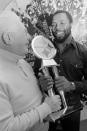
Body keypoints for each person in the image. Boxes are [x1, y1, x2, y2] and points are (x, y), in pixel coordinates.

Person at [0, 11, 61, 131]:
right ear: (8, 38)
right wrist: (46, 108)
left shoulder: (23, 62)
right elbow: (6, 127)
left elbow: (30, 100)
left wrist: (41, 86)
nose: (29, 37)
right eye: (24, 32)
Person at [36, 10, 87, 131]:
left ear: (70, 24)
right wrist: (40, 82)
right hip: (51, 111)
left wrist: (72, 85)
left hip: (73, 111)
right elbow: (35, 74)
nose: (57, 27)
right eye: (53, 24)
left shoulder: (83, 52)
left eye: (62, 23)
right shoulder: (42, 50)